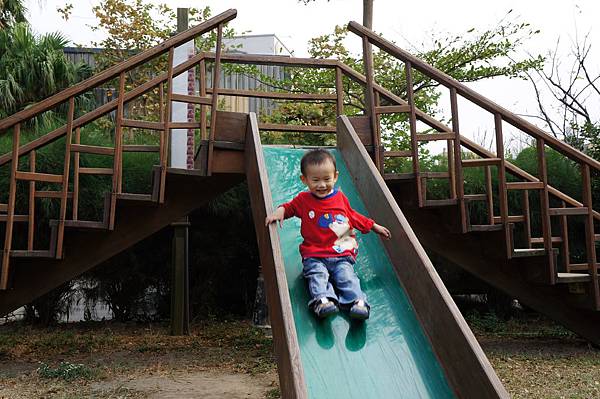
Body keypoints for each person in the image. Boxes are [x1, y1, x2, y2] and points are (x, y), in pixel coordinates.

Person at [265, 149, 391, 320]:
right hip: (315, 254)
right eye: (315, 180)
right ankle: (323, 301)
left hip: (341, 252)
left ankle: (357, 302)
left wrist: (373, 226)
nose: (322, 185)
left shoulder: (340, 198)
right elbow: (289, 208)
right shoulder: (303, 200)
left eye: (327, 179)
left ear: (335, 176)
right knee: (317, 275)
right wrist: (279, 212)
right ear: (304, 179)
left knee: (346, 276)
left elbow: (353, 216)